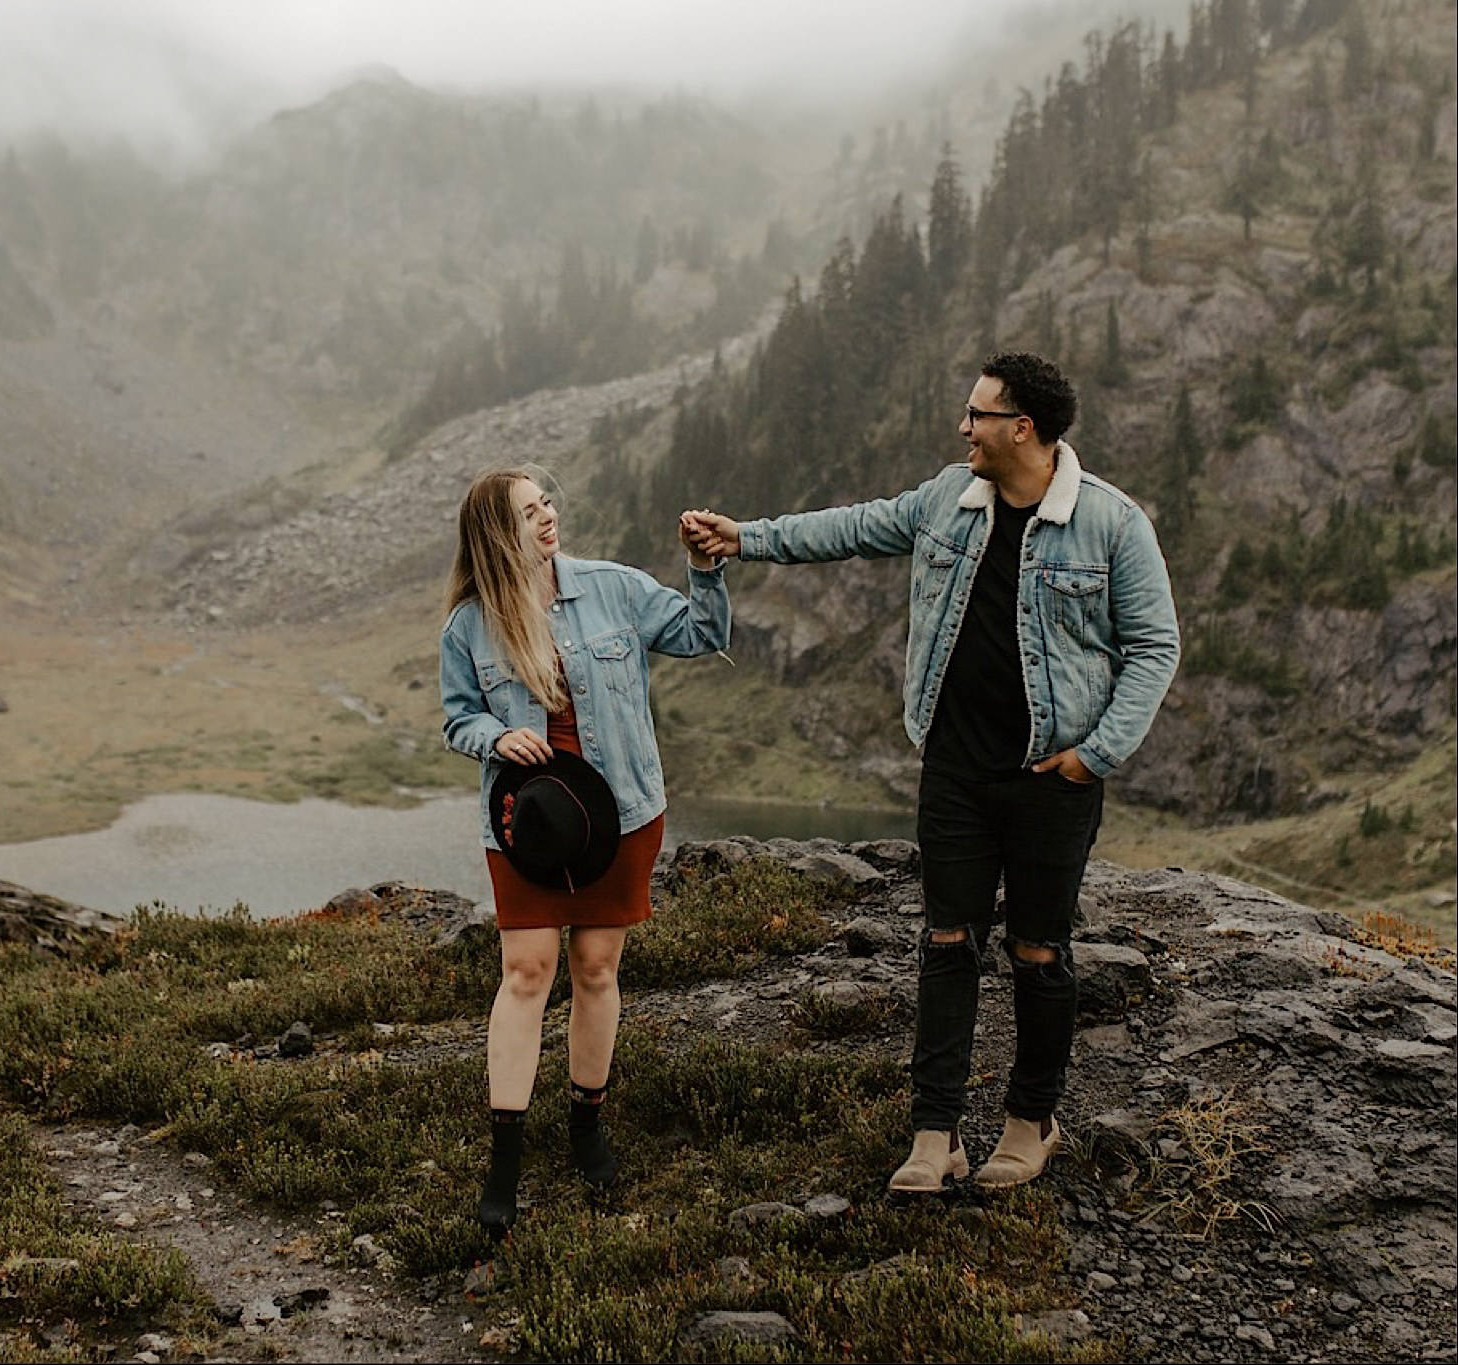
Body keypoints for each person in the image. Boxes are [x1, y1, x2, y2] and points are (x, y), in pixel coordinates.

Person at [682, 352, 1179, 1196]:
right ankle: (936, 1131)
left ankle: (1032, 1121)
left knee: (1037, 950)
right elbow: (852, 526)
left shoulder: (1112, 524)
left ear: (1021, 427)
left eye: (978, 415)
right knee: (947, 944)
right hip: (954, 767)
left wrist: (1094, 754)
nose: (963, 428)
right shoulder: (949, 497)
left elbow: (1154, 647)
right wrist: (746, 537)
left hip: (1050, 779)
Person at [440, 468, 730, 1236]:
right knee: (525, 970)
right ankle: (505, 1159)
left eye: (548, 504)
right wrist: (495, 734)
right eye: (530, 513)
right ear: (498, 533)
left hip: (622, 813)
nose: (549, 518)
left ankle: (585, 1125)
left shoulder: (613, 588)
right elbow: (457, 717)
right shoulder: (469, 625)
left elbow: (704, 634)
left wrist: (705, 569)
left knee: (597, 968)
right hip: (526, 822)